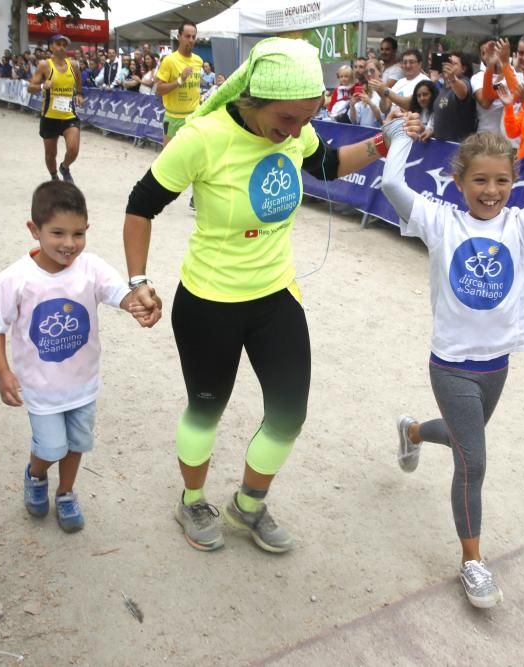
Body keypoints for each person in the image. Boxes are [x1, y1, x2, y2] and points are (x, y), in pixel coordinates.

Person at [122, 38, 403, 554]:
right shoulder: (202, 137)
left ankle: (248, 505)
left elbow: (325, 165)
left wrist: (384, 142)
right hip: (208, 301)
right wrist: (137, 281)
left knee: (288, 415)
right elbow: (141, 206)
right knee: (207, 409)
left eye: (305, 119)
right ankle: (192, 500)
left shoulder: (298, 129)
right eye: (287, 119)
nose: (295, 131)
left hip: (275, 294)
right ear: (253, 99)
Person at [381, 71, 524, 609]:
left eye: (501, 181)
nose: (491, 191)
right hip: (449, 364)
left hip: (496, 365)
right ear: (459, 183)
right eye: (479, 181)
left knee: (459, 439)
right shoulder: (440, 221)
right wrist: (401, 135)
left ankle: (411, 430)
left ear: (513, 182)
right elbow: (391, 185)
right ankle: (472, 562)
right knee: (474, 461)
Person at [0, 181, 140, 534]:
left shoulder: (91, 268)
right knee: (51, 447)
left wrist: (135, 303)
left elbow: (117, 291)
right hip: (41, 388)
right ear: (34, 230)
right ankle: (36, 475)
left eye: (78, 234)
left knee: (77, 443)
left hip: (82, 383)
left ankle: (66, 493)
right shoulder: (16, 279)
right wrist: (3, 372)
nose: (69, 244)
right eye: (57, 233)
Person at [28, 34, 85, 184]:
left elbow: (78, 80)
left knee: (73, 149)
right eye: (58, 44)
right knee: (50, 154)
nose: (61, 47)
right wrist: (41, 86)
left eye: (64, 45)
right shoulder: (44, 65)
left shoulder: (73, 65)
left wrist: (79, 94)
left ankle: (65, 167)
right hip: (50, 116)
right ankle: (54, 177)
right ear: (51, 46)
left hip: (69, 115)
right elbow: (30, 88)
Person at [156, 21, 203, 145]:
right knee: (168, 160)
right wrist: (179, 80)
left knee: (191, 158)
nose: (191, 40)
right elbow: (159, 89)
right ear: (179, 37)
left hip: (193, 117)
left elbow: (195, 87)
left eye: (193, 37)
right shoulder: (169, 60)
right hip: (174, 118)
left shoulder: (198, 60)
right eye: (187, 36)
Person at [431, 51, 476, 143]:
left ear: (463, 68)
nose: (449, 66)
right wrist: (430, 129)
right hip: (441, 145)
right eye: (448, 63)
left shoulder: (465, 82)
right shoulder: (444, 87)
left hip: (458, 146)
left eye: (453, 64)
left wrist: (452, 78)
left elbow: (462, 92)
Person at [374, 48, 429, 114]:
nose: (408, 66)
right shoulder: (400, 82)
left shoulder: (425, 82)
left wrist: (386, 90)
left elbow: (409, 105)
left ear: (420, 64)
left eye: (411, 62)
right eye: (405, 62)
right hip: (392, 122)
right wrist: (382, 96)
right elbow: (385, 109)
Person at [349, 59, 384, 127]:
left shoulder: (386, 91)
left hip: (378, 134)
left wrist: (370, 103)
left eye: (372, 71)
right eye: (366, 72)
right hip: (363, 132)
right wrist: (352, 105)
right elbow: (354, 121)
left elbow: (382, 120)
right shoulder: (364, 91)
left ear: (379, 72)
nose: (369, 74)